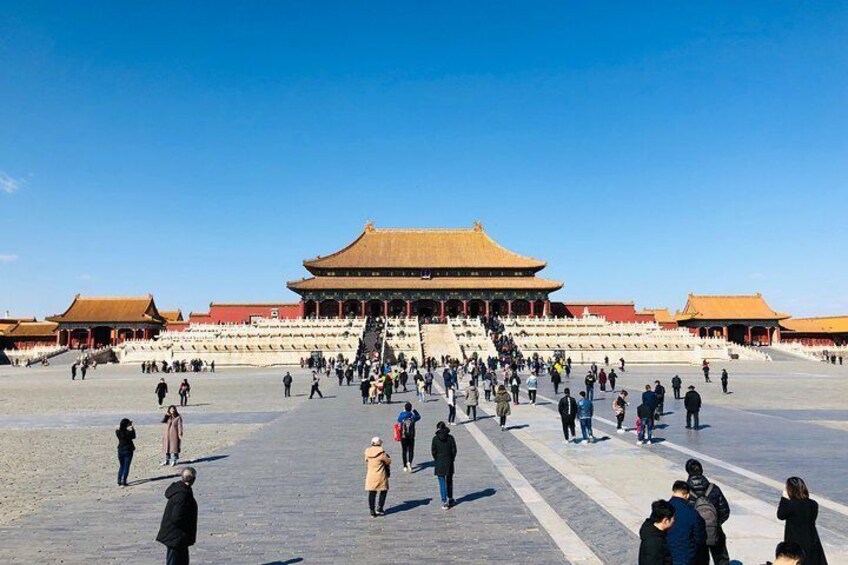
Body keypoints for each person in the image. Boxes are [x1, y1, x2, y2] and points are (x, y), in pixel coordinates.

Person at [686, 459, 731, 565]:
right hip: (715, 530)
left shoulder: (685, 491)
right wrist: (716, 523)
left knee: (699, 560)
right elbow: (725, 511)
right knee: (721, 559)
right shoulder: (713, 488)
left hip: (695, 534)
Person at [777, 477, 828, 565]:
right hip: (812, 540)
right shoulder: (813, 504)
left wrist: (784, 499)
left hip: (795, 542)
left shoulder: (791, 505)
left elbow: (780, 515)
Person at [156, 467, 198, 565]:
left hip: (178, 536)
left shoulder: (181, 489)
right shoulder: (182, 495)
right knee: (174, 561)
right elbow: (176, 517)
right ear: (193, 480)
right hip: (176, 536)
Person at [668, 480, 706, 565]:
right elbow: (699, 538)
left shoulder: (663, 508)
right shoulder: (692, 513)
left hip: (665, 553)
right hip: (685, 555)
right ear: (687, 495)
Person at [639, 499, 675, 565]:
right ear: (665, 520)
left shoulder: (649, 528)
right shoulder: (655, 544)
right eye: (673, 518)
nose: (674, 520)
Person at [431, 421, 458, 510]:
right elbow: (454, 450)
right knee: (449, 481)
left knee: (442, 482)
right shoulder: (450, 438)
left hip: (439, 462)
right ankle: (450, 498)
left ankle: (444, 501)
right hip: (449, 462)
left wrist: (437, 459)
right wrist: (451, 458)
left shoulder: (435, 439)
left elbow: (433, 451)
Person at [364, 437, 391, 517]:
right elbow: (388, 461)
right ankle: (380, 507)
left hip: (371, 475)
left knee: (372, 493)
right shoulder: (382, 453)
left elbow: (366, 460)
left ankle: (372, 510)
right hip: (380, 475)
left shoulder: (367, 452)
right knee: (383, 491)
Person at [396, 402, 421, 472]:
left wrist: (403, 411)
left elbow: (398, 421)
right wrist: (414, 411)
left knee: (404, 451)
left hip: (403, 436)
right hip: (411, 436)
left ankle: (404, 466)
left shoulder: (402, 416)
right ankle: (409, 462)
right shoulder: (412, 417)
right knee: (411, 450)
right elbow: (419, 417)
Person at [116, 418, 136, 487]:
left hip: (120, 450)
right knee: (126, 467)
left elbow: (119, 431)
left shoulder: (118, 432)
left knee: (122, 466)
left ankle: (119, 480)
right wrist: (132, 429)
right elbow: (134, 436)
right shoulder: (128, 433)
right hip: (128, 451)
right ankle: (123, 481)